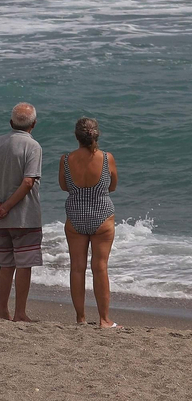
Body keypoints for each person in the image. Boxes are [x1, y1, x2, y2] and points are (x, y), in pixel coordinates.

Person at [0, 102, 42, 321]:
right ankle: (20, 312)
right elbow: (27, 182)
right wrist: (7, 206)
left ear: (10, 123)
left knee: (6, 265)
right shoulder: (33, 146)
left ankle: (2, 310)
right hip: (24, 216)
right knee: (24, 265)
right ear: (33, 124)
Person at [59, 117, 119, 329]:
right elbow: (112, 186)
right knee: (100, 267)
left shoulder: (66, 159)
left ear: (77, 136)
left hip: (75, 216)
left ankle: (81, 319)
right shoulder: (106, 158)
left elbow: (64, 186)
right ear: (97, 135)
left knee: (77, 268)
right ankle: (104, 320)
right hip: (102, 216)